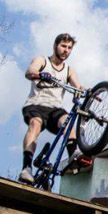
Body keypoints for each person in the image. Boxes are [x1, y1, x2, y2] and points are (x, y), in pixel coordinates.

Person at [18, 33, 86, 184]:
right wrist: (40, 74)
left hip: (55, 109)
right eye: (63, 46)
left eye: (69, 48)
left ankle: (73, 154)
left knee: (67, 121)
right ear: (55, 46)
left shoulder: (69, 70)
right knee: (35, 124)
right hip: (36, 104)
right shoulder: (42, 60)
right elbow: (29, 72)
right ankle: (26, 168)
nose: (66, 50)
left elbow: (78, 86)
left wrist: (92, 92)